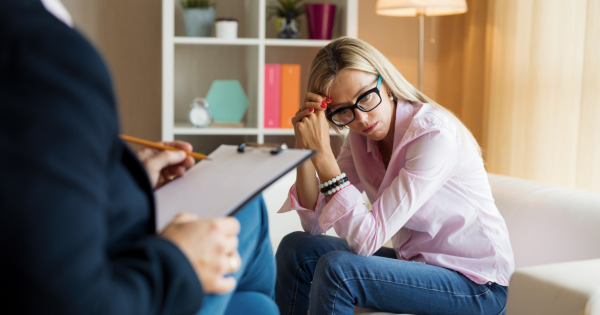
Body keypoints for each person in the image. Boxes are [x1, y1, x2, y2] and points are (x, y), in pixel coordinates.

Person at [0, 1, 277, 314]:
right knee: (246, 208)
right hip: (130, 283)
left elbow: (32, 194)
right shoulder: (42, 55)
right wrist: (179, 260)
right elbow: (70, 301)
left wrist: (130, 179)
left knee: (255, 304)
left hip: (114, 256)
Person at [275, 37, 515, 315]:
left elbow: (365, 240)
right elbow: (315, 226)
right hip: (417, 266)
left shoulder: (433, 135)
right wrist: (306, 149)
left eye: (365, 97)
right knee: (296, 249)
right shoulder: (359, 139)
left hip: (477, 286)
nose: (361, 119)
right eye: (343, 111)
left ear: (386, 83)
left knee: (339, 271)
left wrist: (324, 155)